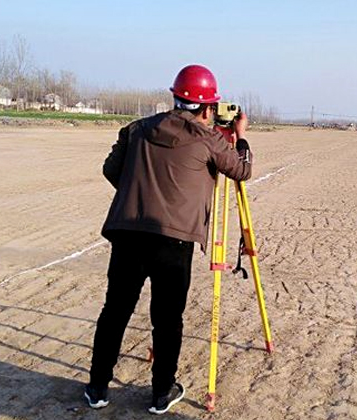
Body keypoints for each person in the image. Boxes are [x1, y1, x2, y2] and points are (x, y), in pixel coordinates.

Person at [84, 64, 252, 415]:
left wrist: (141, 190)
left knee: (115, 311)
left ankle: (97, 386)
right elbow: (241, 169)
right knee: (167, 318)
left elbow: (110, 170)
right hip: (173, 244)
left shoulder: (137, 129)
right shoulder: (209, 140)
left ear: (175, 98)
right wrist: (241, 137)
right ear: (208, 108)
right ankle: (161, 393)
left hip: (128, 233)